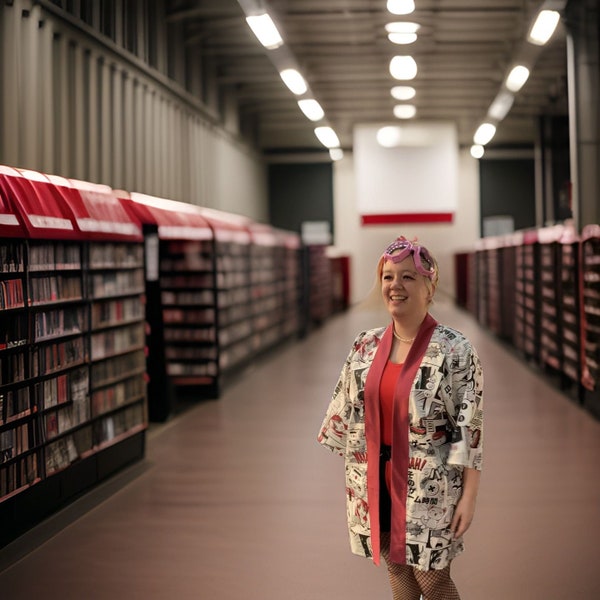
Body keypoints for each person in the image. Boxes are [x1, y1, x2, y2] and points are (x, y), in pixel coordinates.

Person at [317, 236, 483, 600]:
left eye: (408, 277)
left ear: (429, 285)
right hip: (378, 484)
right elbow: (344, 419)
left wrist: (469, 496)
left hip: (430, 487)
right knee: (400, 580)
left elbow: (469, 430)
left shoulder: (455, 350)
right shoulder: (365, 346)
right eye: (389, 277)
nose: (396, 286)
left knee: (433, 582)